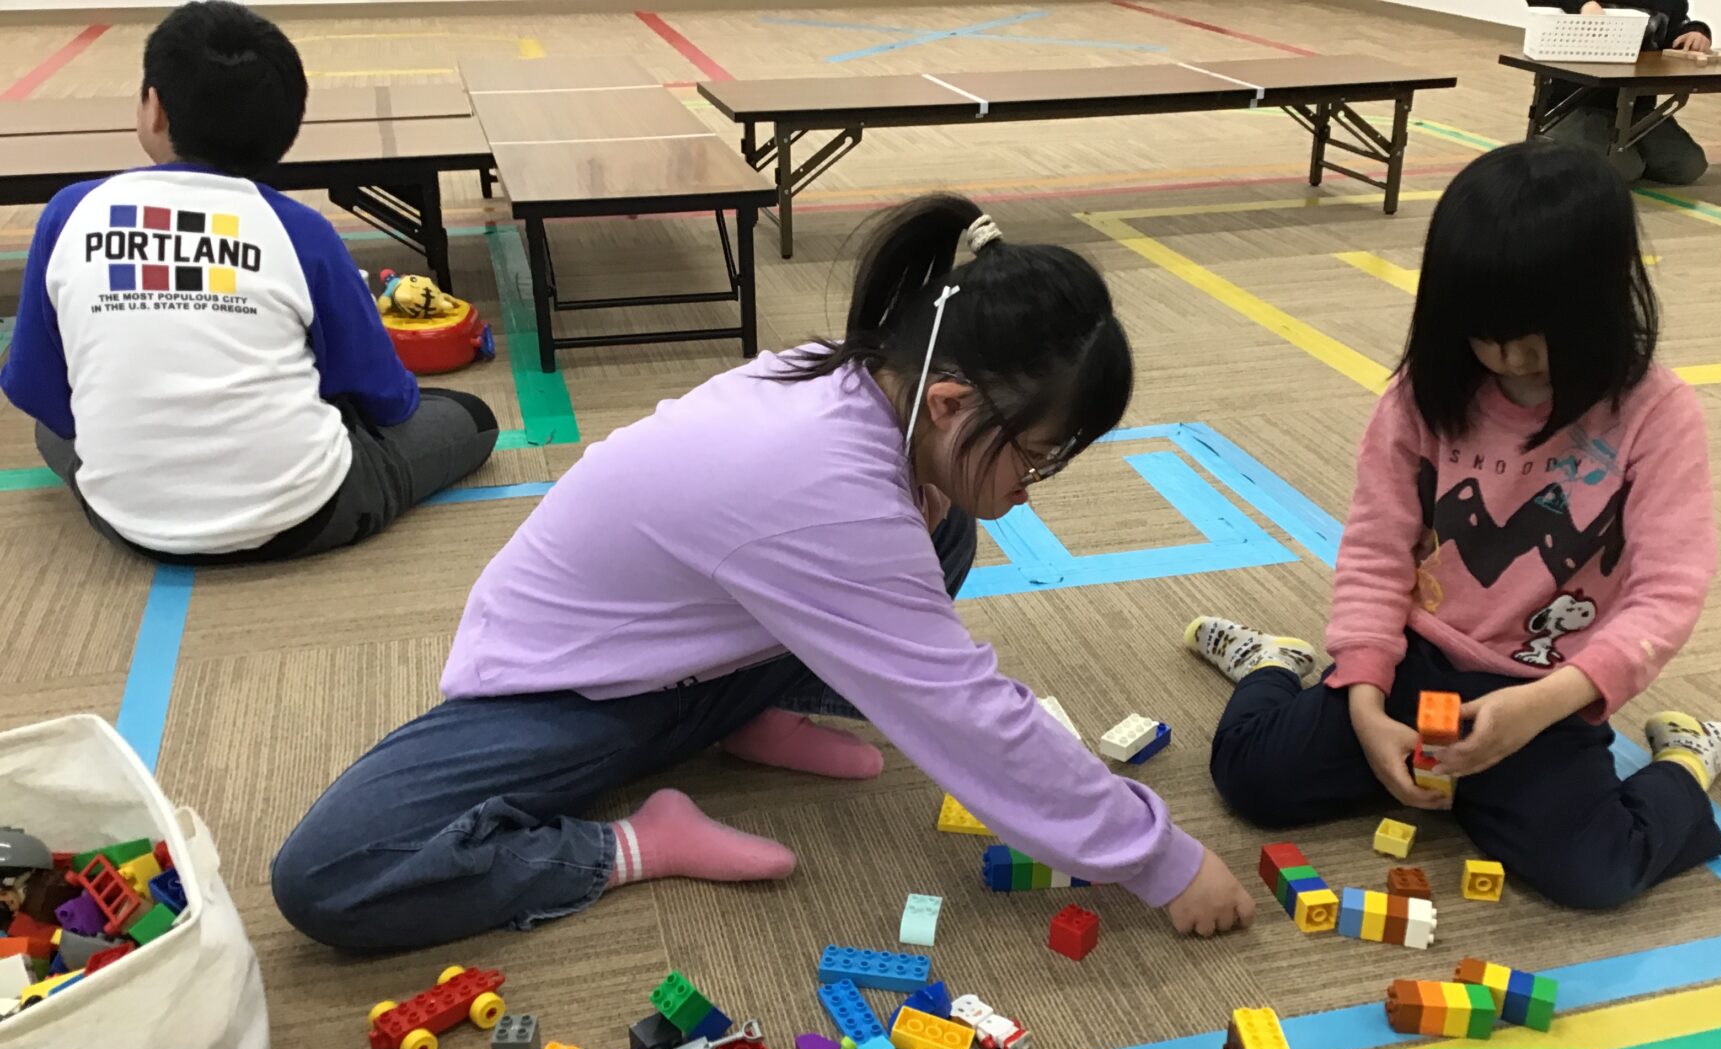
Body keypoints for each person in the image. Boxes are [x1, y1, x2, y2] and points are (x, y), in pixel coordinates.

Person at [272, 194, 1256, 951]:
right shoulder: (825, 486)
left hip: (692, 655)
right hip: (561, 685)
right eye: (1035, 459)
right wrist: (1160, 859)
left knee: (947, 521)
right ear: (951, 401)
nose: (1032, 491)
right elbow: (965, 712)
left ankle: (741, 714)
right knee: (329, 874)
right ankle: (643, 839)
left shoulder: (863, 377)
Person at [1187, 141, 1721, 912]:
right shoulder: (1423, 395)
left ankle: (1686, 757)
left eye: (1534, 338)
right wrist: (1365, 699)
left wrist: (1542, 706)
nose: (1507, 358)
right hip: (1415, 659)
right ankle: (1272, 663)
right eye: (1483, 333)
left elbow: (1669, 594)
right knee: (1251, 778)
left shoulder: (1656, 413)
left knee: (1596, 872)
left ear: (1604, 299)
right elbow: (1376, 551)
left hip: (1546, 688)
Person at [0, 1, 496, 563]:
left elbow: (33, 389)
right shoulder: (301, 231)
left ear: (154, 107)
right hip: (306, 516)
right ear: (285, 129)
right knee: (471, 419)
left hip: (128, 522)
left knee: (51, 429)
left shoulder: (69, 212)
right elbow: (387, 399)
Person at [1534, 0, 1712, 184]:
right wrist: (1584, 4)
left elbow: (1676, 31)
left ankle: (1613, 152)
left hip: (1636, 109)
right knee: (1624, 168)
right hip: (1577, 106)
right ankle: (1558, 143)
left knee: (1688, 166)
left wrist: (1697, 32)